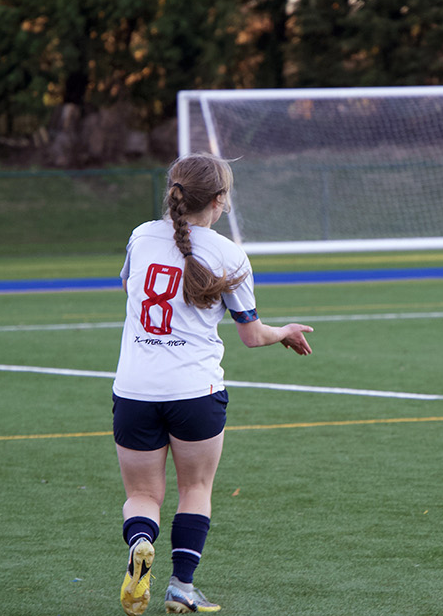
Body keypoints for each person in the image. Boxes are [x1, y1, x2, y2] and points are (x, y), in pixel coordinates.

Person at [111, 153, 314, 615]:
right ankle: (181, 586)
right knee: (195, 490)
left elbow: (128, 289)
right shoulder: (228, 253)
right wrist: (284, 332)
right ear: (219, 200)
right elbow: (251, 335)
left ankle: (141, 542)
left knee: (142, 496)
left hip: (135, 390)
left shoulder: (142, 236)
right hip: (195, 393)